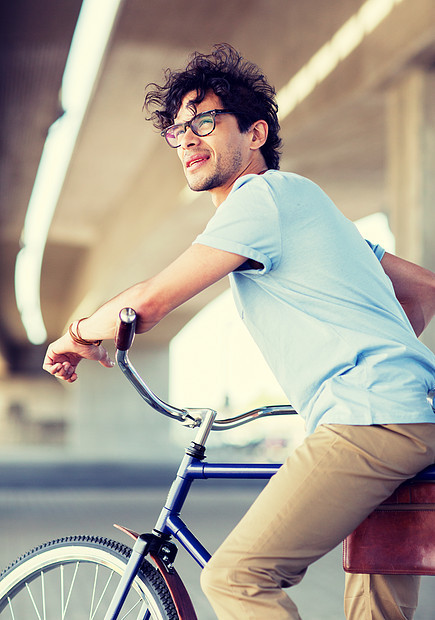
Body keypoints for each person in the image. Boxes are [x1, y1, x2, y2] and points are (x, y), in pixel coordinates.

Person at [43, 44, 435, 619]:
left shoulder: (263, 197)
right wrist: (383, 361)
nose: (188, 140)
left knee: (236, 579)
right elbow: (425, 288)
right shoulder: (306, 204)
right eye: (177, 132)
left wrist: (75, 333)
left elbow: (149, 303)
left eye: (206, 121)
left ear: (255, 133)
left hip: (368, 420)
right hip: (406, 416)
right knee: (376, 611)